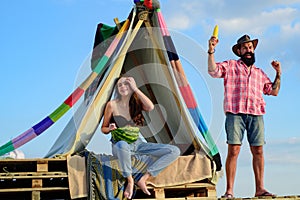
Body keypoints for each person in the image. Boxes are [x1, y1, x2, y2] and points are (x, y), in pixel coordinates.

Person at [207, 34, 281, 198]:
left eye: (250, 48)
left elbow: (273, 91)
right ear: (239, 51)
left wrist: (278, 73)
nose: (248, 50)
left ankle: (260, 189)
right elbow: (213, 71)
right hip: (235, 113)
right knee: (233, 150)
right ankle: (229, 191)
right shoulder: (231, 65)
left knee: (258, 151)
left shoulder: (259, 73)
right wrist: (211, 51)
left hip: (256, 114)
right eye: (245, 48)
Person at [101, 76, 180, 199]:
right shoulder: (111, 105)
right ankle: (130, 181)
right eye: (120, 85)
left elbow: (150, 107)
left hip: (137, 143)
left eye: (126, 84)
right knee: (122, 145)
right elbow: (103, 128)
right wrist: (110, 128)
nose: (123, 87)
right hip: (119, 144)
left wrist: (135, 89)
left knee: (174, 151)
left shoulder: (136, 103)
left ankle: (144, 178)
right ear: (117, 89)